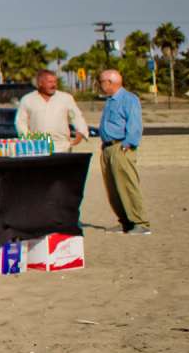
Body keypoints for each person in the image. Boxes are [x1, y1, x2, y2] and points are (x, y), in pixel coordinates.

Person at [97, 68, 150, 235]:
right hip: (108, 148)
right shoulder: (110, 100)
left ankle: (140, 223)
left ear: (110, 82)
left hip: (121, 147)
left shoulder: (129, 99)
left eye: (101, 82)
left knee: (127, 185)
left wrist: (129, 143)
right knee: (113, 189)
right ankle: (125, 221)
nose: (100, 85)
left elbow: (135, 124)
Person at [16, 69, 90, 149]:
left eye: (55, 82)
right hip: (37, 147)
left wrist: (80, 132)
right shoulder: (28, 99)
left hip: (62, 146)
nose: (53, 85)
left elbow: (76, 116)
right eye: (50, 82)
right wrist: (28, 140)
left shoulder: (65, 98)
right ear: (40, 83)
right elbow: (20, 122)